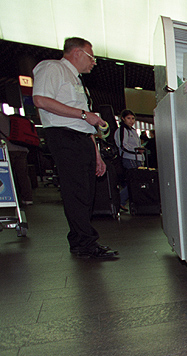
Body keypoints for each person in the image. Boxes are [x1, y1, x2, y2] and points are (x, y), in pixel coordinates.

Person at [33, 37, 119, 259]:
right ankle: (85, 243)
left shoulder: (76, 80)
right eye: (91, 57)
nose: (94, 63)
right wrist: (83, 114)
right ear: (77, 53)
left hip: (82, 139)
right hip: (64, 137)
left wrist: (97, 154)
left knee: (87, 192)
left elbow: (85, 121)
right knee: (77, 192)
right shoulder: (53, 68)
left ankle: (82, 241)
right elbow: (41, 100)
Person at [0, 112, 34, 205]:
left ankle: (11, 198)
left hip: (8, 150)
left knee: (8, 175)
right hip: (22, 149)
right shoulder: (10, 118)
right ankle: (28, 198)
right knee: (23, 175)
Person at [114, 109, 145, 207]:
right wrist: (137, 150)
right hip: (129, 158)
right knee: (134, 181)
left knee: (137, 181)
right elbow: (123, 145)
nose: (131, 121)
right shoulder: (122, 130)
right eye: (128, 118)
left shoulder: (133, 131)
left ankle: (127, 201)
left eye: (132, 118)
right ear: (123, 119)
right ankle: (120, 199)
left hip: (137, 158)